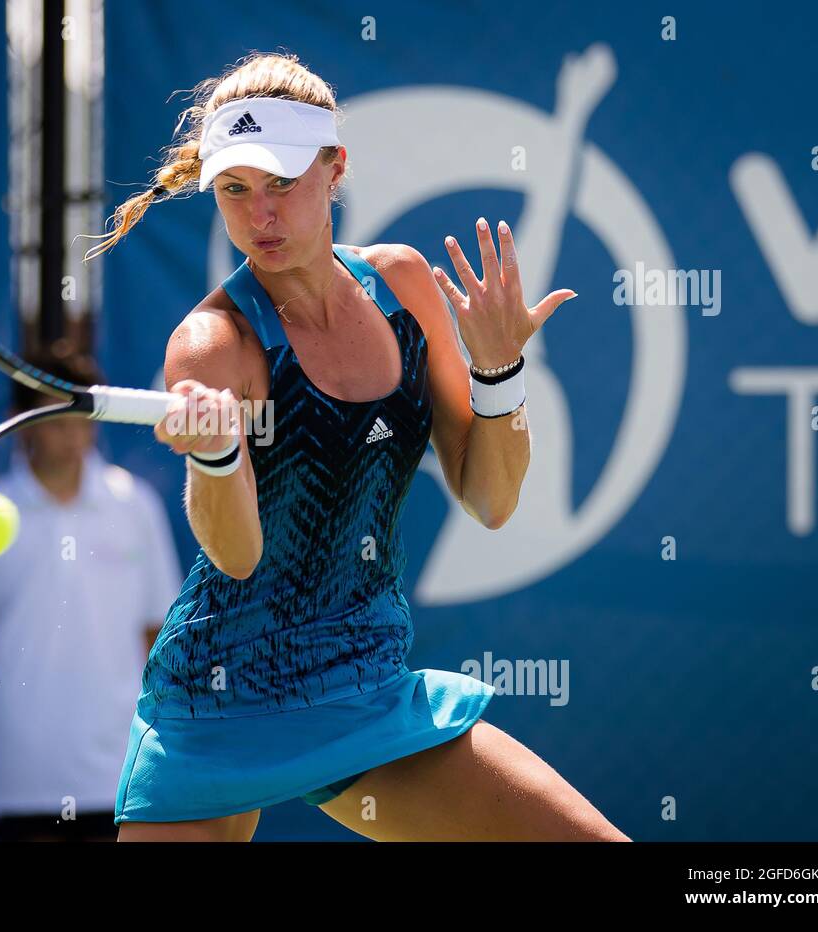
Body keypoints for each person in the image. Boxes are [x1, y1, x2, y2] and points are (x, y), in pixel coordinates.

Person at [82, 51, 630, 842]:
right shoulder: (213, 345)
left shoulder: (404, 286)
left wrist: (499, 374)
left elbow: (491, 499)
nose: (259, 216)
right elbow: (236, 555)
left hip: (365, 685)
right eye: (235, 190)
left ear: (335, 168)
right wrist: (216, 456)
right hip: (221, 699)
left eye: (282, 184)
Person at [0, 349, 183, 842]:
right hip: (21, 772)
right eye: (57, 417)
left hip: (118, 770)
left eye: (82, 416)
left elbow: (155, 633)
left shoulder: (135, 505)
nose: (73, 432)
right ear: (26, 422)